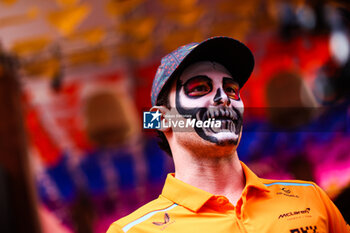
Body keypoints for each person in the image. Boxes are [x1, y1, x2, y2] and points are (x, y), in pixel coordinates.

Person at [107, 37, 349, 232]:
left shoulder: (309, 198)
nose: (223, 97)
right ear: (162, 119)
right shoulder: (132, 230)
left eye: (231, 89)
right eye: (200, 88)